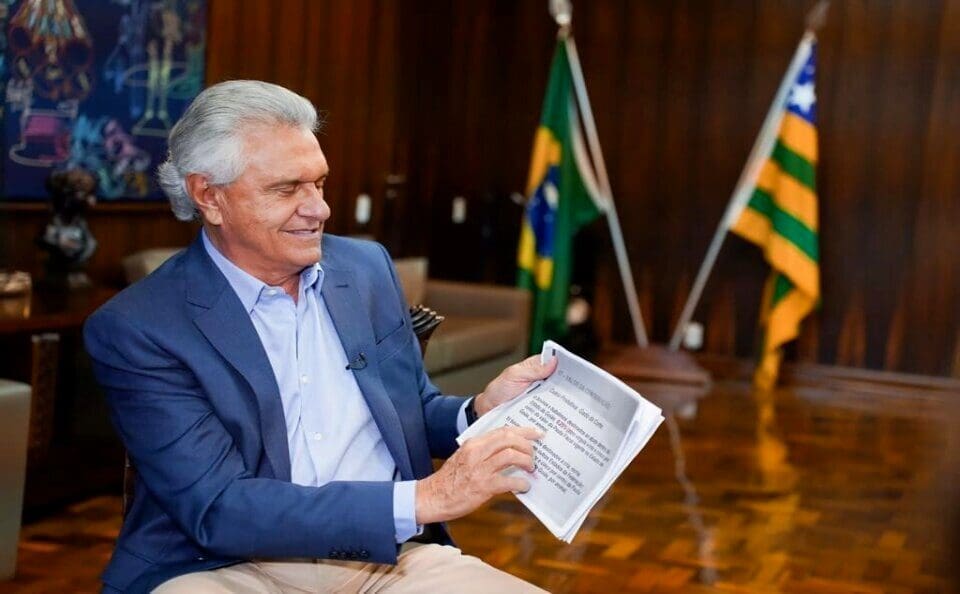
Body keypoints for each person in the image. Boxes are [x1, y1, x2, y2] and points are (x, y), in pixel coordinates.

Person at [84, 80, 555, 593]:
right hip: (224, 566)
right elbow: (218, 507)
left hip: (388, 558)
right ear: (210, 196)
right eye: (287, 189)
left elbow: (410, 410)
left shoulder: (366, 268)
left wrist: (480, 412)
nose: (319, 209)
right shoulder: (140, 327)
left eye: (320, 183)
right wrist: (425, 499)